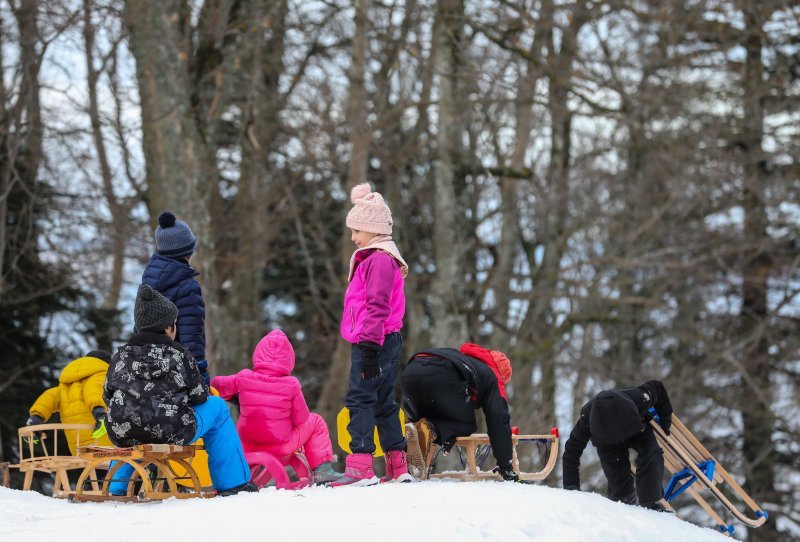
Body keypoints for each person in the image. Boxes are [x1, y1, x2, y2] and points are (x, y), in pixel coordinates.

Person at [104, 283, 255, 496]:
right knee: (218, 408)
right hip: (172, 431)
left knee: (130, 421)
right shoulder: (179, 355)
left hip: (123, 432)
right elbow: (199, 395)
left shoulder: (119, 357)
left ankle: (116, 487)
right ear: (168, 327)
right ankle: (233, 483)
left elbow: (108, 396)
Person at [331, 182, 411, 486]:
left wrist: (369, 348)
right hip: (384, 339)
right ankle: (397, 463)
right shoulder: (379, 257)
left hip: (373, 340)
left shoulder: (378, 260)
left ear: (373, 230)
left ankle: (360, 465)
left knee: (360, 397)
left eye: (357, 231)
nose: (353, 237)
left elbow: (377, 305)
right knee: (383, 399)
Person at [211, 329, 343, 485]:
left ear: (258, 353)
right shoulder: (291, 384)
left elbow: (216, 386)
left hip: (246, 444)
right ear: (289, 359)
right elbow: (301, 418)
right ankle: (322, 470)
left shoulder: (243, 377)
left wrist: (235, 397)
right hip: (280, 446)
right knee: (316, 421)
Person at [400, 343, 518, 481]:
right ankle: (429, 429)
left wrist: (448, 433)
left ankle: (403, 442)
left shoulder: (468, 359)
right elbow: (499, 421)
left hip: (410, 371)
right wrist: (506, 466)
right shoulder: (494, 375)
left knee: (423, 422)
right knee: (467, 425)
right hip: (441, 375)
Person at [562, 380, 673, 511]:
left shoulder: (639, 398)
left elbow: (657, 387)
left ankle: (650, 503)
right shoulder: (587, 418)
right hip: (608, 444)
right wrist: (571, 486)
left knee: (652, 454)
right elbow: (571, 451)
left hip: (633, 428)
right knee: (621, 494)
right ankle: (625, 504)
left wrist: (666, 422)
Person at [141, 211, 209, 385]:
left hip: (146, 365)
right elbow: (191, 333)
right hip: (177, 368)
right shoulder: (188, 287)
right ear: (188, 251)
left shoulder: (148, 281)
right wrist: (199, 370)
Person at [26, 350, 113, 454]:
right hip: (103, 443)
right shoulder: (101, 374)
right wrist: (100, 413)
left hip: (78, 448)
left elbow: (50, 397)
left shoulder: (66, 385)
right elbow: (94, 391)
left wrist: (36, 417)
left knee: (93, 469)